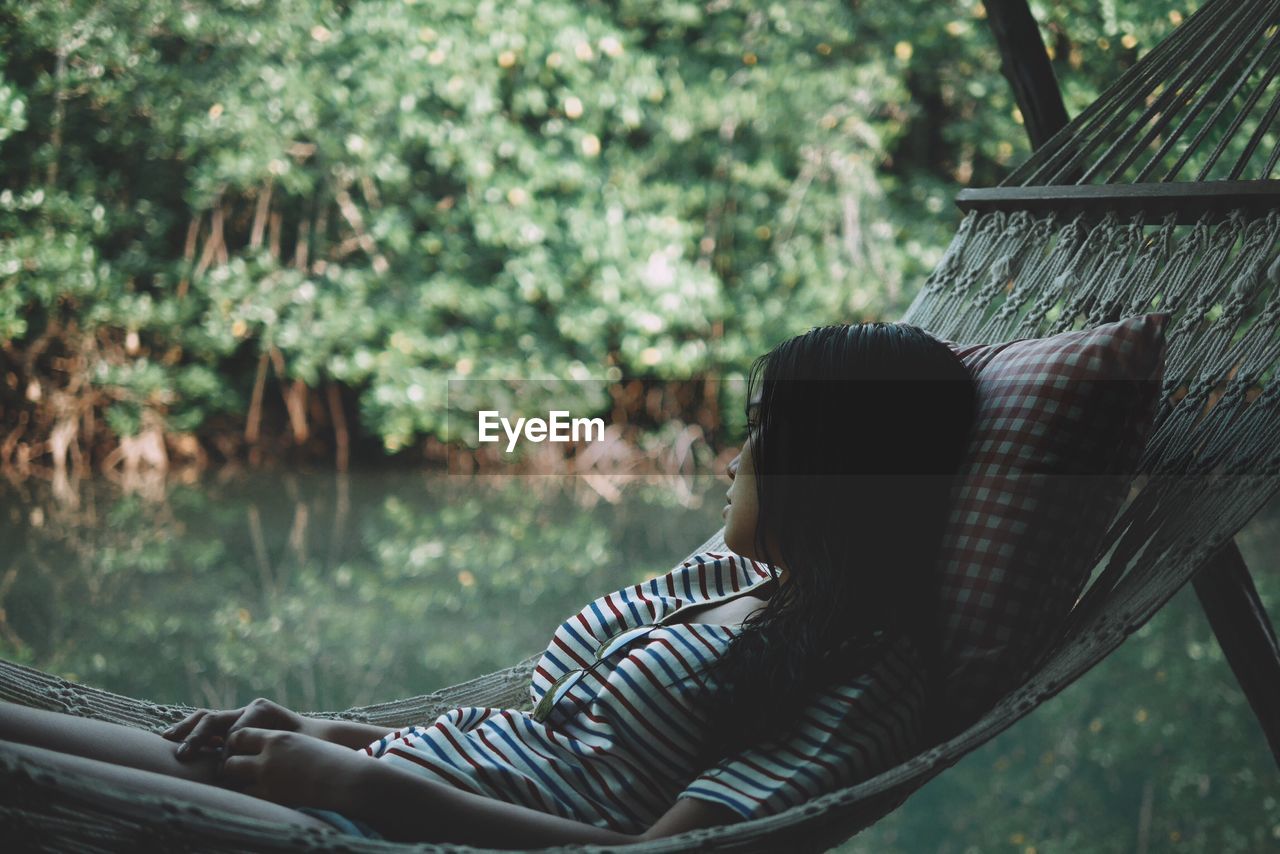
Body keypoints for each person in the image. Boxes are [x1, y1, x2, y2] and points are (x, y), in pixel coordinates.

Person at [0, 322, 976, 845]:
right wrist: (324, 733)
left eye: (766, 428)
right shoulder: (733, 575)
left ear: (832, 466)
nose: (736, 454)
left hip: (372, 825)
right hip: (358, 776)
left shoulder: (869, 670)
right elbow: (538, 735)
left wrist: (362, 783)